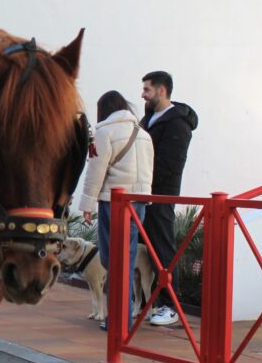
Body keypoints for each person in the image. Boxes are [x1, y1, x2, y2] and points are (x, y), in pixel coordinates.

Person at [77, 90, 154, 332]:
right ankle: (122, 318)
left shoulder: (104, 132)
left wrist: (87, 205)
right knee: (125, 259)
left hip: (114, 201)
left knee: (113, 260)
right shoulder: (143, 134)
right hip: (138, 202)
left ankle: (119, 321)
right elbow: (149, 170)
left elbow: (95, 170)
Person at [140, 71, 200, 326]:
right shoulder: (149, 118)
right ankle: (144, 303)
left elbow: (170, 164)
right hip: (142, 194)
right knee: (143, 251)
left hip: (160, 196)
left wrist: (149, 187)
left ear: (161, 90)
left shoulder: (177, 123)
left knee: (162, 249)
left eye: (147, 89)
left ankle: (170, 305)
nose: (143, 94)